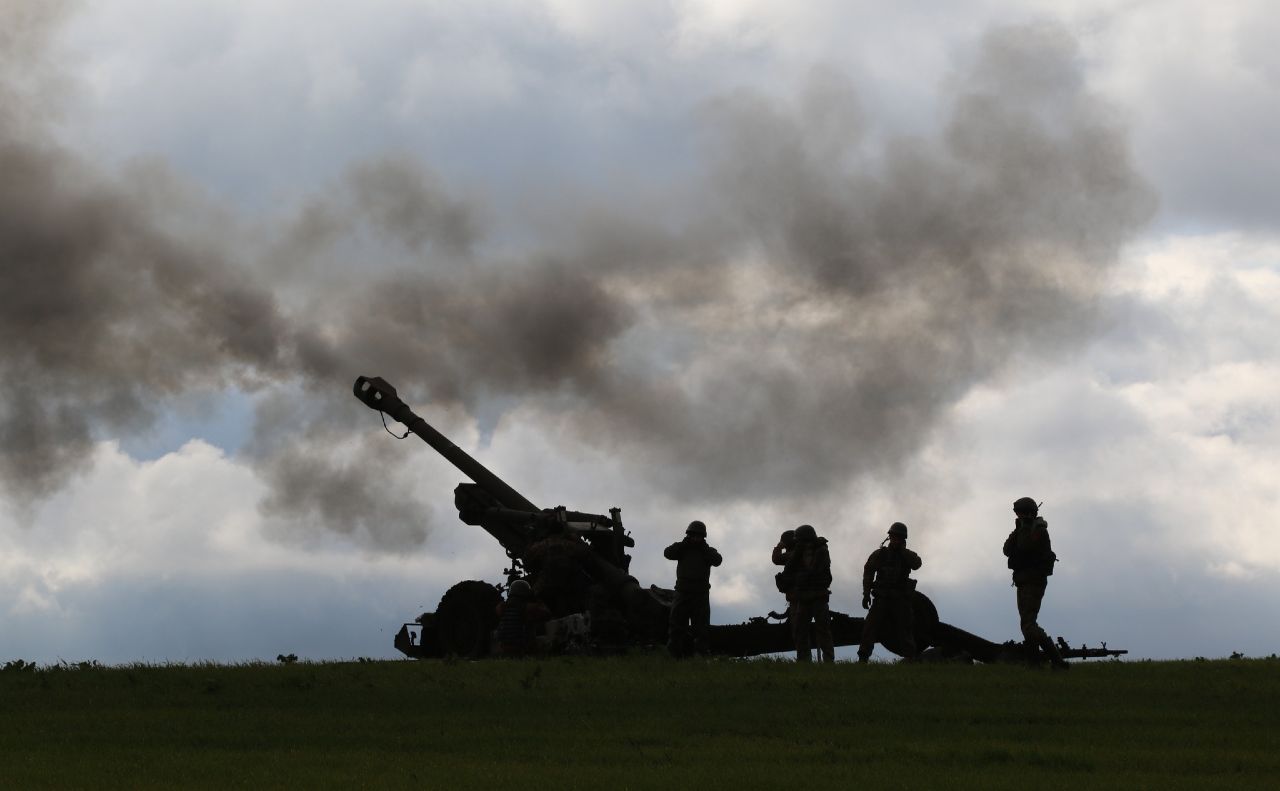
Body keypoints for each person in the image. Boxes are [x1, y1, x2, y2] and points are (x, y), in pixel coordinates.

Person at [1003, 497, 1069, 670]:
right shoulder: (1022, 529)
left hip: (1034, 581)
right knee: (1027, 623)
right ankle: (1038, 663)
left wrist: (1024, 528)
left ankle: (1055, 661)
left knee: (1028, 624)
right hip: (1023, 581)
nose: (1018, 515)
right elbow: (1007, 549)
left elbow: (1024, 547)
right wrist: (1019, 528)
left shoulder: (1038, 530)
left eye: (1020, 512)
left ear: (1029, 512)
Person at [858, 522, 922, 663]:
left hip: (900, 599)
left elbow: (917, 563)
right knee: (869, 628)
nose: (896, 540)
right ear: (889, 537)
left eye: (899, 537)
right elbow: (868, 572)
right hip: (882, 598)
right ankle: (863, 658)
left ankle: (910, 658)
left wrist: (902, 551)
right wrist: (866, 594)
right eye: (893, 537)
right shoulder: (880, 554)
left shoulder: (907, 555)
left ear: (903, 539)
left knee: (905, 629)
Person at [663, 520, 723, 657]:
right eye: (693, 535)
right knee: (676, 627)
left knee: (701, 629)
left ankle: (700, 655)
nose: (696, 538)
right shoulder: (682, 548)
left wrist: (704, 549)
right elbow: (667, 553)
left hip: (700, 594)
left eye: (699, 536)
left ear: (703, 537)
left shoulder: (707, 551)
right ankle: (674, 656)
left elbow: (718, 560)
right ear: (689, 535)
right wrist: (684, 545)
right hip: (682, 592)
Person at [779, 524, 834, 663]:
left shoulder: (821, 550)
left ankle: (828, 661)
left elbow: (819, 571)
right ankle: (804, 661)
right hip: (803, 597)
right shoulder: (798, 551)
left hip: (818, 596)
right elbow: (788, 569)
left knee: (823, 631)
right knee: (800, 631)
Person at [494, 579, 551, 657]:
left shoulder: (501, 607)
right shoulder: (527, 607)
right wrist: (538, 600)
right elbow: (547, 614)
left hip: (503, 647)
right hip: (521, 648)